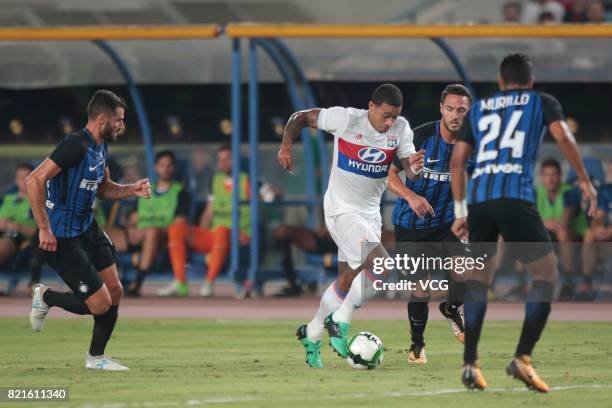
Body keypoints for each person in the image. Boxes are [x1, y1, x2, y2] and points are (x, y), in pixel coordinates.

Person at [450, 53, 597, 392]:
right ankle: (522, 358)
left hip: (480, 199)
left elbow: (458, 162)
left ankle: (470, 363)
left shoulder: (481, 107)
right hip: (515, 195)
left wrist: (460, 213)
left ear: (501, 82)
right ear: (530, 82)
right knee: (546, 274)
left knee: (479, 280)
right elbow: (562, 136)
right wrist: (585, 179)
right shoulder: (540, 100)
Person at [278, 84, 424, 367]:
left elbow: (409, 171)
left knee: (345, 281)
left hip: (369, 216)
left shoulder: (401, 129)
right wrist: (286, 146)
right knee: (382, 265)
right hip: (341, 211)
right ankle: (340, 323)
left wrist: (415, 170)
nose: (389, 122)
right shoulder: (346, 119)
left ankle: (312, 333)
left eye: (394, 116)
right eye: (385, 116)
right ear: (371, 106)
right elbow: (300, 117)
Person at [26, 90, 151, 370]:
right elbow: (34, 180)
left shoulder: (101, 146)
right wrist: (43, 228)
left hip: (87, 228)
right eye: (118, 120)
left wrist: (131, 189)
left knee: (115, 291)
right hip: (62, 237)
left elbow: (103, 188)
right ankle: (45, 296)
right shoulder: (75, 145)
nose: (121, 125)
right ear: (102, 118)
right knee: (100, 304)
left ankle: (96, 359)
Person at [387, 84, 473, 364]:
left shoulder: (473, 143)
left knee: (464, 273)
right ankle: (416, 347)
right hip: (411, 224)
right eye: (450, 109)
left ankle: (450, 308)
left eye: (461, 110)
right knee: (420, 288)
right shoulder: (420, 136)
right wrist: (411, 195)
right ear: (441, 109)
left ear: (468, 111)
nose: (455, 115)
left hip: (447, 222)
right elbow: (388, 175)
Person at [157, 144, 250, 298]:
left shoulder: (248, 180)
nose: (224, 163)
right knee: (176, 229)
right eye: (220, 160)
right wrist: (202, 233)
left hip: (239, 236)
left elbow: (268, 197)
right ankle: (180, 283)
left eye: (228, 159)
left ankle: (209, 282)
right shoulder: (216, 180)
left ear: (236, 160)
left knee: (220, 231)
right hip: (216, 236)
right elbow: (208, 212)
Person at [126, 150, 190, 296]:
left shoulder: (180, 192)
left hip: (161, 237)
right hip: (138, 234)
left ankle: (138, 282)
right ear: (155, 167)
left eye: (168, 166)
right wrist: (131, 229)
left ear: (173, 168)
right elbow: (133, 218)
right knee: (106, 233)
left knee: (152, 232)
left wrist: (148, 229)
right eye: (161, 165)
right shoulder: (145, 189)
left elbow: (179, 224)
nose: (165, 169)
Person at [0, 163, 37, 292]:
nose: (23, 181)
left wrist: (16, 226)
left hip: (18, 238)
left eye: (26, 177)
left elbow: (39, 231)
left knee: (3, 246)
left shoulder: (38, 201)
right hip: (2, 232)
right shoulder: (7, 198)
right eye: (20, 178)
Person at [272, 225, 337, 297]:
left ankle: (292, 285)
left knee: (284, 232)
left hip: (329, 244)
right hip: (321, 242)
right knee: (283, 232)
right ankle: (292, 284)